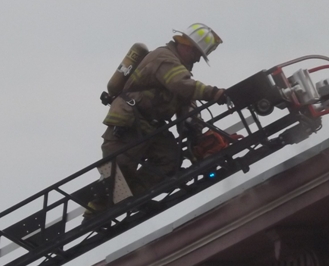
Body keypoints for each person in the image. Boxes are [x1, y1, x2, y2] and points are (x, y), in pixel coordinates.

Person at [85, 23, 226, 217]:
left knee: (170, 160)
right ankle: (94, 215)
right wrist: (214, 93)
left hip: (151, 127)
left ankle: (134, 197)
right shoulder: (164, 58)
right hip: (128, 123)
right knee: (117, 175)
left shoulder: (178, 68)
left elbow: (187, 103)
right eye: (197, 54)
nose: (197, 60)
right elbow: (182, 85)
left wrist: (195, 130)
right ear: (186, 46)